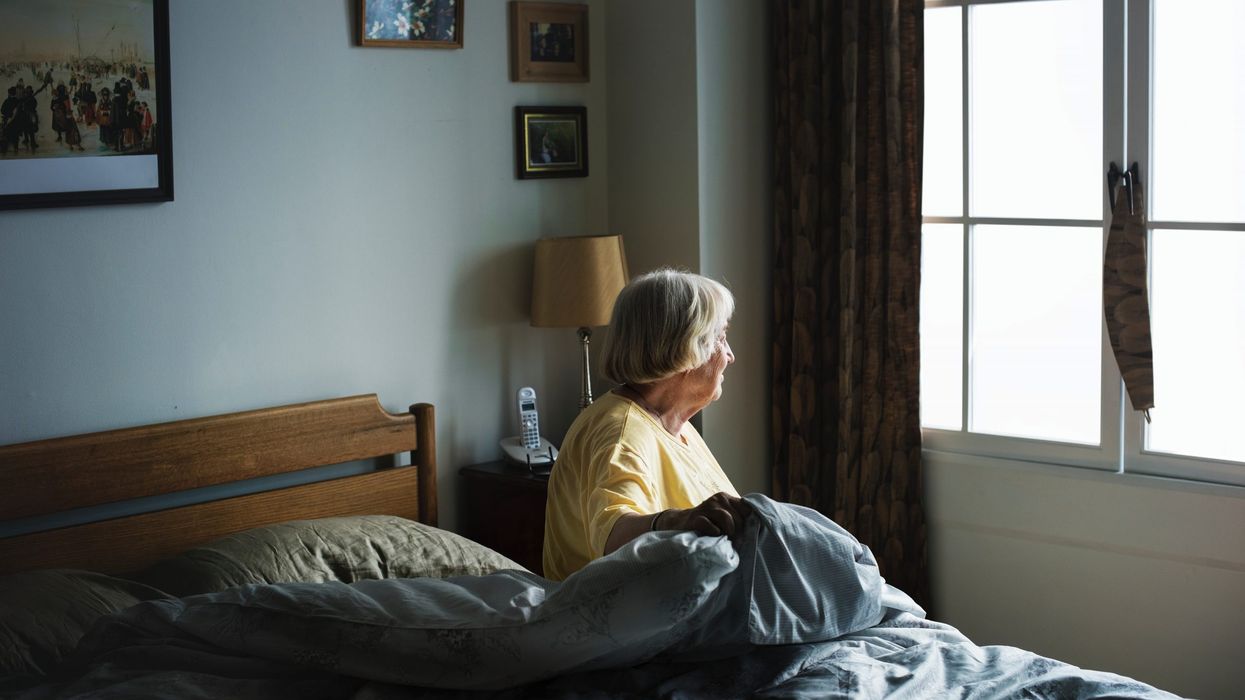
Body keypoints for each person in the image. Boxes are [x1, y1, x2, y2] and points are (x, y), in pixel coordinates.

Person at [542, 268, 751, 581]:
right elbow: (614, 536)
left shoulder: (674, 426)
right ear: (686, 347)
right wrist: (681, 522)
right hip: (620, 620)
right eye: (720, 338)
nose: (730, 355)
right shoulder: (621, 431)